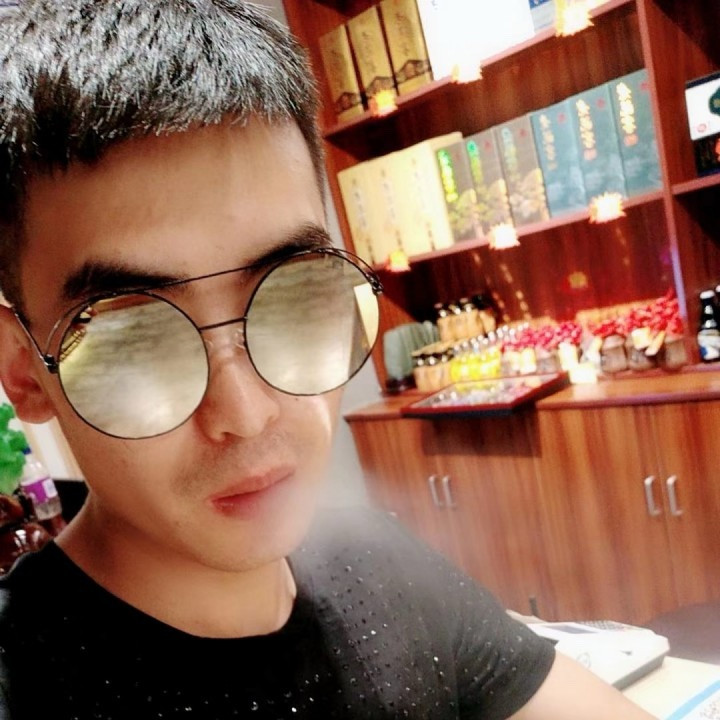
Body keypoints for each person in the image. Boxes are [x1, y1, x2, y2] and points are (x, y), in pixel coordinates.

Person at [0, 1, 656, 718]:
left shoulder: (381, 565)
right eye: (133, 340)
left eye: (294, 294)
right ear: (24, 370)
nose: (247, 413)